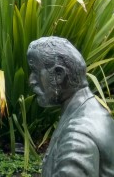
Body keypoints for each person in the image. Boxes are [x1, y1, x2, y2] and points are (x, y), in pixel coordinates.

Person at [27, 37, 114, 177]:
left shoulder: (76, 138)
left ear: (59, 75)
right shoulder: (94, 111)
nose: (31, 80)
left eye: (35, 71)